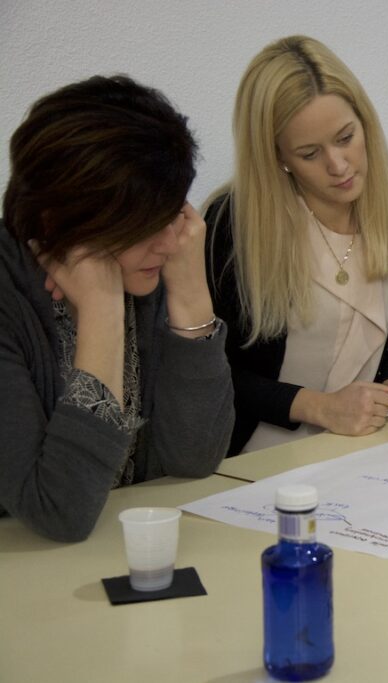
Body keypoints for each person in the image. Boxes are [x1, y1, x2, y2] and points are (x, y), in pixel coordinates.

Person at [0, 76, 234, 541]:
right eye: (143, 225)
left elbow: (195, 458)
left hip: (122, 547)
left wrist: (190, 295)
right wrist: (101, 309)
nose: (169, 243)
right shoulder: (10, 295)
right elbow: (57, 512)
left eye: (173, 213)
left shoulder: (147, 266)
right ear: (60, 219)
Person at [206, 35, 388, 456]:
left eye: (346, 137)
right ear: (277, 156)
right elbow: (210, 373)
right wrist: (321, 407)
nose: (338, 165)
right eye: (310, 153)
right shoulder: (234, 225)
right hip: (250, 462)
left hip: (356, 454)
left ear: (365, 122)